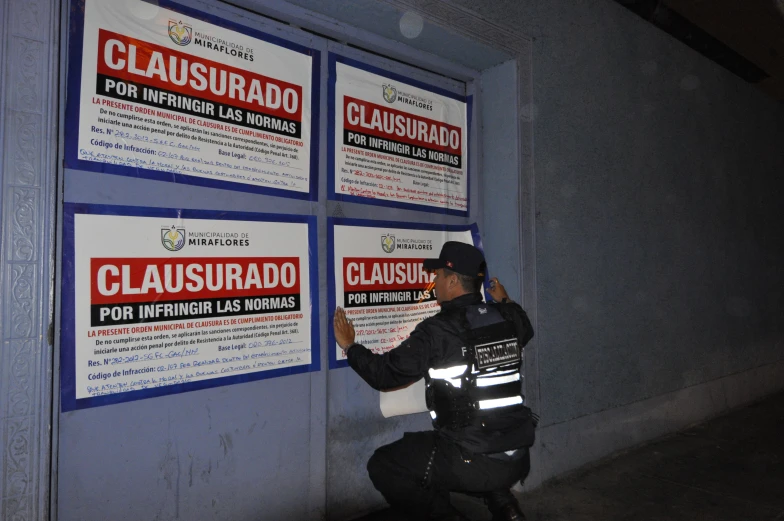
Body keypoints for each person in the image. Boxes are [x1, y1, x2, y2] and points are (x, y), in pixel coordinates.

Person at [333, 241, 536, 521]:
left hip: (472, 459)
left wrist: (349, 346)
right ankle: (506, 507)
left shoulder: (439, 330)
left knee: (386, 464)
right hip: (517, 456)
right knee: (478, 438)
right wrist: (504, 299)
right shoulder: (508, 317)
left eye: (438, 275)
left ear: (452, 280)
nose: (434, 281)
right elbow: (525, 326)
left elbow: (384, 374)